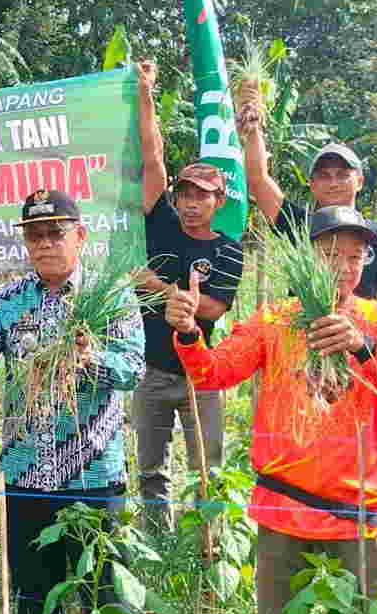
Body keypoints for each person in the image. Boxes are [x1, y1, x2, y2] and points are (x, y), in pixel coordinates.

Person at [165, 205, 377, 614]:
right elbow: (214, 373)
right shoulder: (275, 320)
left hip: (361, 515)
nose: (343, 268)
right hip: (283, 508)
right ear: (306, 256)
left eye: (353, 257)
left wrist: (362, 346)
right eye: (329, 254)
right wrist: (189, 333)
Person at [0, 189, 145, 614]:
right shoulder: (6, 301)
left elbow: (134, 369)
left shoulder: (111, 297)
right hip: (27, 476)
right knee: (34, 602)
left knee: (105, 601)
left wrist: (91, 359)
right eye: (35, 235)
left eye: (56, 232)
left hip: (93, 477)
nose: (45, 243)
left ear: (80, 236)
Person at [133, 61, 244, 531]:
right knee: (150, 470)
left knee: (208, 472)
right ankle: (157, 544)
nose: (191, 202)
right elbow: (152, 155)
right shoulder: (158, 224)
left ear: (218, 201)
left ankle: (207, 548)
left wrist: (157, 289)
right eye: (185, 194)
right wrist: (145, 94)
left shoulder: (228, 250)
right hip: (152, 372)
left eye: (203, 195)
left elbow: (214, 307)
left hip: (202, 375)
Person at [238, 92, 377, 308]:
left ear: (360, 181)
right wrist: (253, 128)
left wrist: (368, 340)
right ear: (311, 183)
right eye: (324, 176)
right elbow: (257, 179)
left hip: (357, 335)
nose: (333, 183)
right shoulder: (301, 225)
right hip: (303, 331)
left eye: (342, 175)